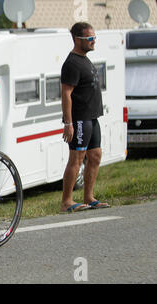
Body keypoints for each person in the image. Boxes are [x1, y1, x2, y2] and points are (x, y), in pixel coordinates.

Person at [60, 22, 110, 212]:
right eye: (90, 38)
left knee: (95, 156)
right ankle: (67, 201)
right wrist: (68, 123)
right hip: (79, 119)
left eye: (94, 37)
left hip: (92, 117)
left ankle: (88, 197)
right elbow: (66, 93)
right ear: (77, 40)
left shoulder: (85, 59)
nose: (93, 41)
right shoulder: (72, 63)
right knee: (77, 158)